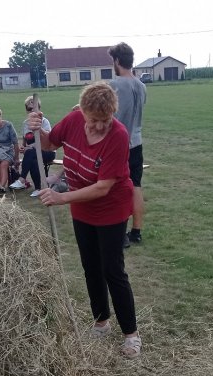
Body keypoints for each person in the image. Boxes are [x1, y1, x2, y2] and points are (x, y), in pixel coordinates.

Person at [28, 82, 142, 358]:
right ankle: (101, 322)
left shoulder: (118, 135)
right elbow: (49, 143)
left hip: (110, 208)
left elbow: (103, 187)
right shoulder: (75, 119)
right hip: (83, 208)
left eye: (106, 120)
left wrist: (61, 198)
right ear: (82, 111)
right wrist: (36, 127)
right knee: (90, 266)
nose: (100, 126)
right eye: (94, 120)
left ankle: (131, 335)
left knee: (112, 270)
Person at [108, 42, 147, 247]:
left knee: (118, 189)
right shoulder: (142, 85)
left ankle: (121, 235)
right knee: (136, 186)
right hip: (137, 143)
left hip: (120, 143)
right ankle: (136, 231)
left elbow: (110, 117)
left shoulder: (115, 85)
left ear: (116, 61)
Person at [16, 96, 56, 197]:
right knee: (33, 159)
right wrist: (22, 147)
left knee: (30, 153)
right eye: (30, 109)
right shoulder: (25, 123)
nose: (32, 111)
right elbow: (25, 139)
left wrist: (29, 148)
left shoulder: (44, 122)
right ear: (26, 110)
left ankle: (22, 179)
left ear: (39, 109)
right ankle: (38, 188)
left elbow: (48, 140)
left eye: (35, 108)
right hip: (33, 153)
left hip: (47, 151)